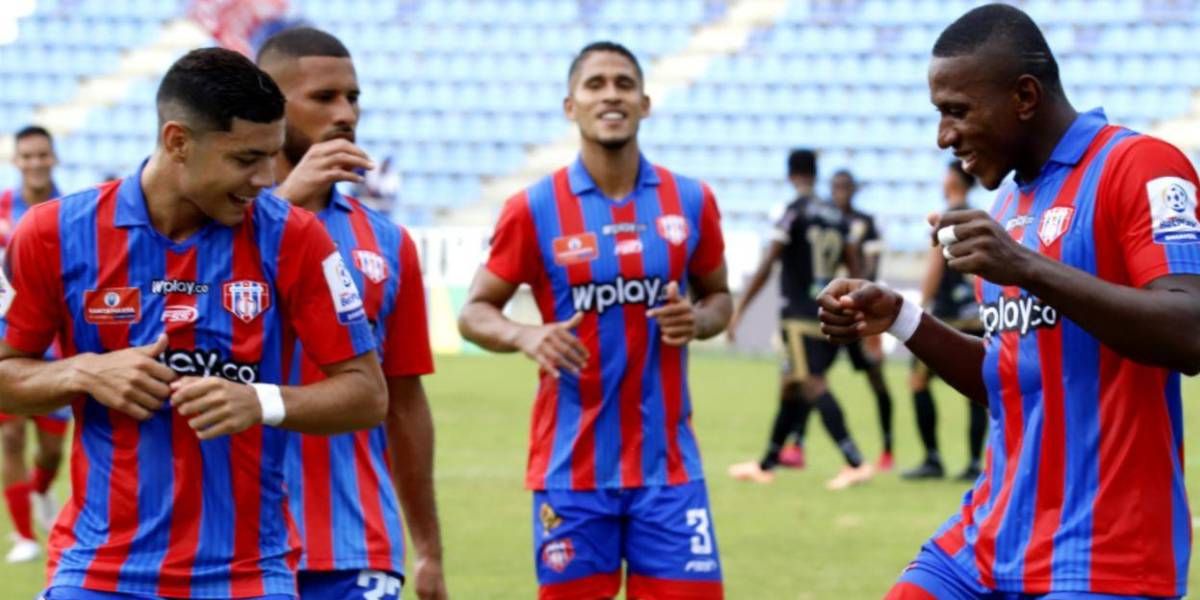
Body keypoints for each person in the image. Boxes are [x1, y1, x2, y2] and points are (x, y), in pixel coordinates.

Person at [818, 4, 1200, 598]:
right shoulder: (1008, 209)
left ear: (1024, 96)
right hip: (987, 540)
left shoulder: (1139, 167)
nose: (945, 136)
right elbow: (1011, 378)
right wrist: (901, 317)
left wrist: (1024, 265)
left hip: (1104, 554)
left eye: (957, 111)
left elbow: (1191, 331)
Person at [0, 47, 388, 599]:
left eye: (273, 156)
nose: (266, 177)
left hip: (248, 575)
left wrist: (261, 403)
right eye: (246, 159)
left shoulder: (294, 238)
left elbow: (368, 395)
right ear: (178, 141)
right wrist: (83, 372)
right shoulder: (52, 234)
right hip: (99, 572)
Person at [458, 41, 730, 599]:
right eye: (596, 84)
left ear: (646, 103)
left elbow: (720, 298)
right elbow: (474, 312)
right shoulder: (533, 208)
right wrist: (525, 334)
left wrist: (697, 321)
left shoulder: (691, 201)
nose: (611, 95)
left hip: (670, 469)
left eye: (624, 84)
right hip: (572, 471)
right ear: (570, 106)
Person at [258, 27, 447, 600]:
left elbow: (406, 402)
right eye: (323, 98)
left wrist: (429, 550)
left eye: (353, 97)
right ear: (269, 103)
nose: (345, 113)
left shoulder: (387, 244)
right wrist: (282, 203)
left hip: (357, 545)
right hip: (236, 545)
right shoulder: (212, 230)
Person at [726, 151, 874, 490]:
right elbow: (856, 270)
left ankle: (855, 462)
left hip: (798, 315)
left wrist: (740, 309)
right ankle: (767, 463)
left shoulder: (793, 213)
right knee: (790, 386)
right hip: (830, 313)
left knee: (812, 383)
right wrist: (859, 308)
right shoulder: (837, 216)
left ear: (792, 174)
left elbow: (768, 263)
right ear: (815, 173)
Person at [0, 125, 69, 564]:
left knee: (50, 448)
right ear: (16, 161)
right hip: (7, 339)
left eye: (42, 155)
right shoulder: (3, 209)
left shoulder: (72, 210)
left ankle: (42, 491)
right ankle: (24, 536)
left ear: (53, 158)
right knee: (9, 437)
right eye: (27, 156)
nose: (35, 162)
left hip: (57, 346)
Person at [901, 160, 987, 482]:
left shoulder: (946, 218)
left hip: (948, 315)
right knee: (978, 388)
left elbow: (935, 269)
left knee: (918, 382)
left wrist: (921, 304)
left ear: (953, 178)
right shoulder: (980, 218)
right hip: (976, 315)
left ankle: (932, 458)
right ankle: (975, 462)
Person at [830, 169, 895, 470]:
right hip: (830, 312)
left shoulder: (865, 223)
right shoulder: (824, 221)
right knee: (808, 378)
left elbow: (871, 267)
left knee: (876, 379)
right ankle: (796, 445)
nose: (840, 191)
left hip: (859, 312)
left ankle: (887, 448)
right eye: (836, 186)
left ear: (854, 189)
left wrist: (855, 289)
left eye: (845, 186)